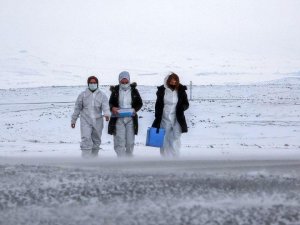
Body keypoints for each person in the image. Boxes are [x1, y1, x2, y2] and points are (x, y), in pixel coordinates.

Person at [71, 76, 110, 158]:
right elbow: (77, 108)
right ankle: (85, 159)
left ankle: (94, 159)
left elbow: (105, 106)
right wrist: (73, 120)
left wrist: (107, 114)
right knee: (86, 138)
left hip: (98, 120)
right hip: (85, 120)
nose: (93, 84)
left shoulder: (102, 95)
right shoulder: (83, 95)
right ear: (88, 84)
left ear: (97, 84)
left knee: (96, 140)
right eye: (91, 83)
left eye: (94, 83)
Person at [152, 73, 189, 157]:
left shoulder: (181, 90)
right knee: (164, 139)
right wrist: (158, 117)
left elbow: (186, 104)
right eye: (171, 80)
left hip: (177, 118)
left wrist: (182, 108)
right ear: (167, 81)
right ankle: (165, 159)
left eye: (175, 80)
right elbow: (158, 105)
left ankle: (175, 158)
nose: (173, 81)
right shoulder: (162, 90)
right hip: (164, 118)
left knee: (175, 138)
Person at [108, 71, 143, 157]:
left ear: (129, 80)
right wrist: (112, 108)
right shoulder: (115, 90)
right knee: (120, 140)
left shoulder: (134, 91)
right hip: (118, 118)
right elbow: (110, 103)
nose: (124, 83)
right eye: (122, 82)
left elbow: (139, 103)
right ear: (119, 81)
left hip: (130, 118)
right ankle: (121, 160)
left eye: (126, 82)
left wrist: (135, 109)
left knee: (130, 141)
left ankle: (129, 160)